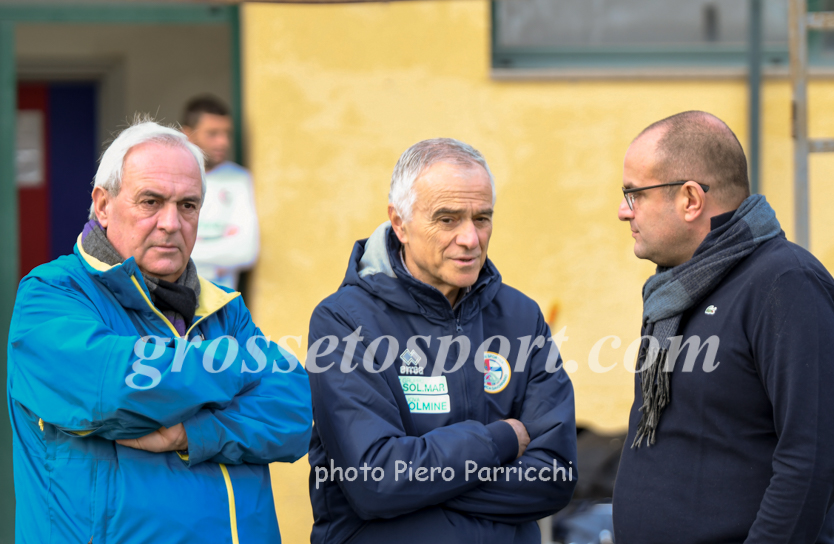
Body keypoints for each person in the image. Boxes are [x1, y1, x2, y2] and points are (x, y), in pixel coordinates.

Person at [7, 119, 312, 543]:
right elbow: (120, 388)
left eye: (188, 205)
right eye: (151, 201)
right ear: (103, 205)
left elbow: (296, 413)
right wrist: (242, 365)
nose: (171, 222)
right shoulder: (51, 295)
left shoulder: (224, 305)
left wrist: (193, 433)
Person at [305, 138, 578, 544]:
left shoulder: (521, 317)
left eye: (481, 218)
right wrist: (500, 441)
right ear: (399, 223)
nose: (470, 238)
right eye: (447, 219)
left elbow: (554, 476)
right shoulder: (344, 321)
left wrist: (425, 486)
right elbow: (376, 480)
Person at [612, 111, 834, 543]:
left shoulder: (786, 284)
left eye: (634, 194)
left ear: (690, 199)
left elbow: (812, 458)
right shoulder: (676, 292)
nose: (623, 212)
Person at [181, 95, 259, 290]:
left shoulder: (239, 179)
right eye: (213, 133)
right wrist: (218, 261)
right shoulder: (172, 177)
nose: (223, 142)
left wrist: (185, 255)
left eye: (226, 133)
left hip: (222, 301)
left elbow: (246, 251)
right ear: (187, 134)